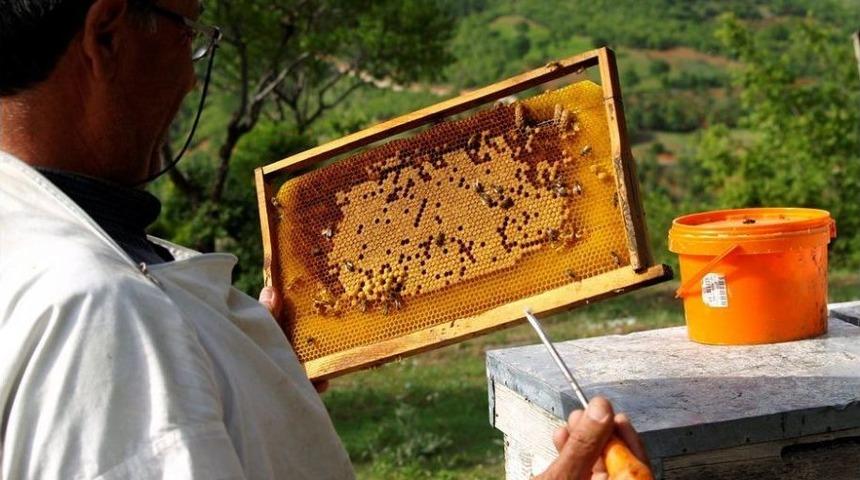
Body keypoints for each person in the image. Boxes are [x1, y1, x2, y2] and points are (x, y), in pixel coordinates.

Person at [0, 0, 648, 478]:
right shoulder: (99, 311)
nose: (193, 78)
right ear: (107, 36)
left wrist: (250, 380)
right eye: (186, 33)